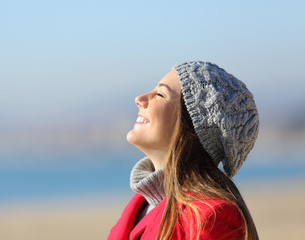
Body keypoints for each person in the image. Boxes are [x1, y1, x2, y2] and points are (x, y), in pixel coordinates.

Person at [107, 61, 259, 240]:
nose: (139, 99)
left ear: (194, 127)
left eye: (160, 94)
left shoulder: (211, 217)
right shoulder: (139, 208)